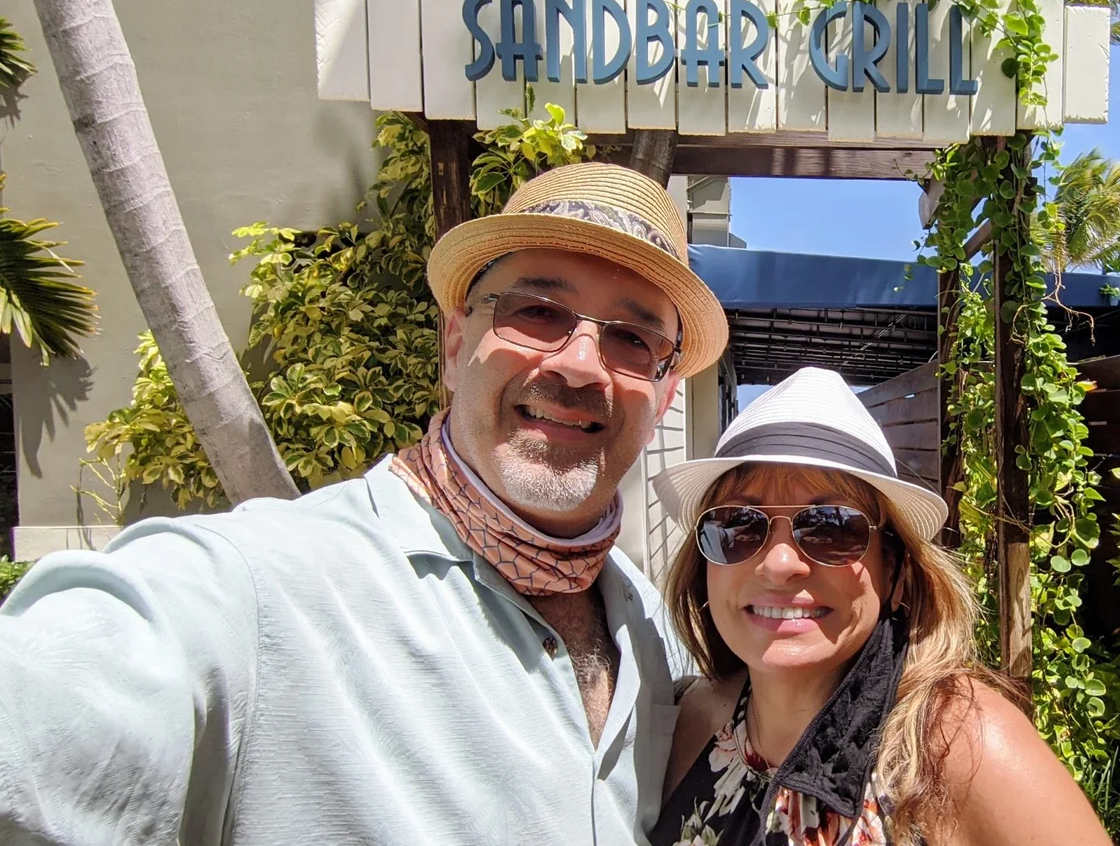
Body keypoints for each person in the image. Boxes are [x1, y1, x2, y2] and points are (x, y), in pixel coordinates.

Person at [0, 162, 728, 845]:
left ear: (664, 395)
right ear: (453, 345)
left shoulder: (646, 624)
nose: (578, 365)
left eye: (632, 339)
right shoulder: (257, 590)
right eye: (537, 312)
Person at [649, 367, 1113, 846]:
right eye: (739, 525)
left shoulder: (962, 751)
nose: (780, 564)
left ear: (894, 571)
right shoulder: (689, 721)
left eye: (830, 528)